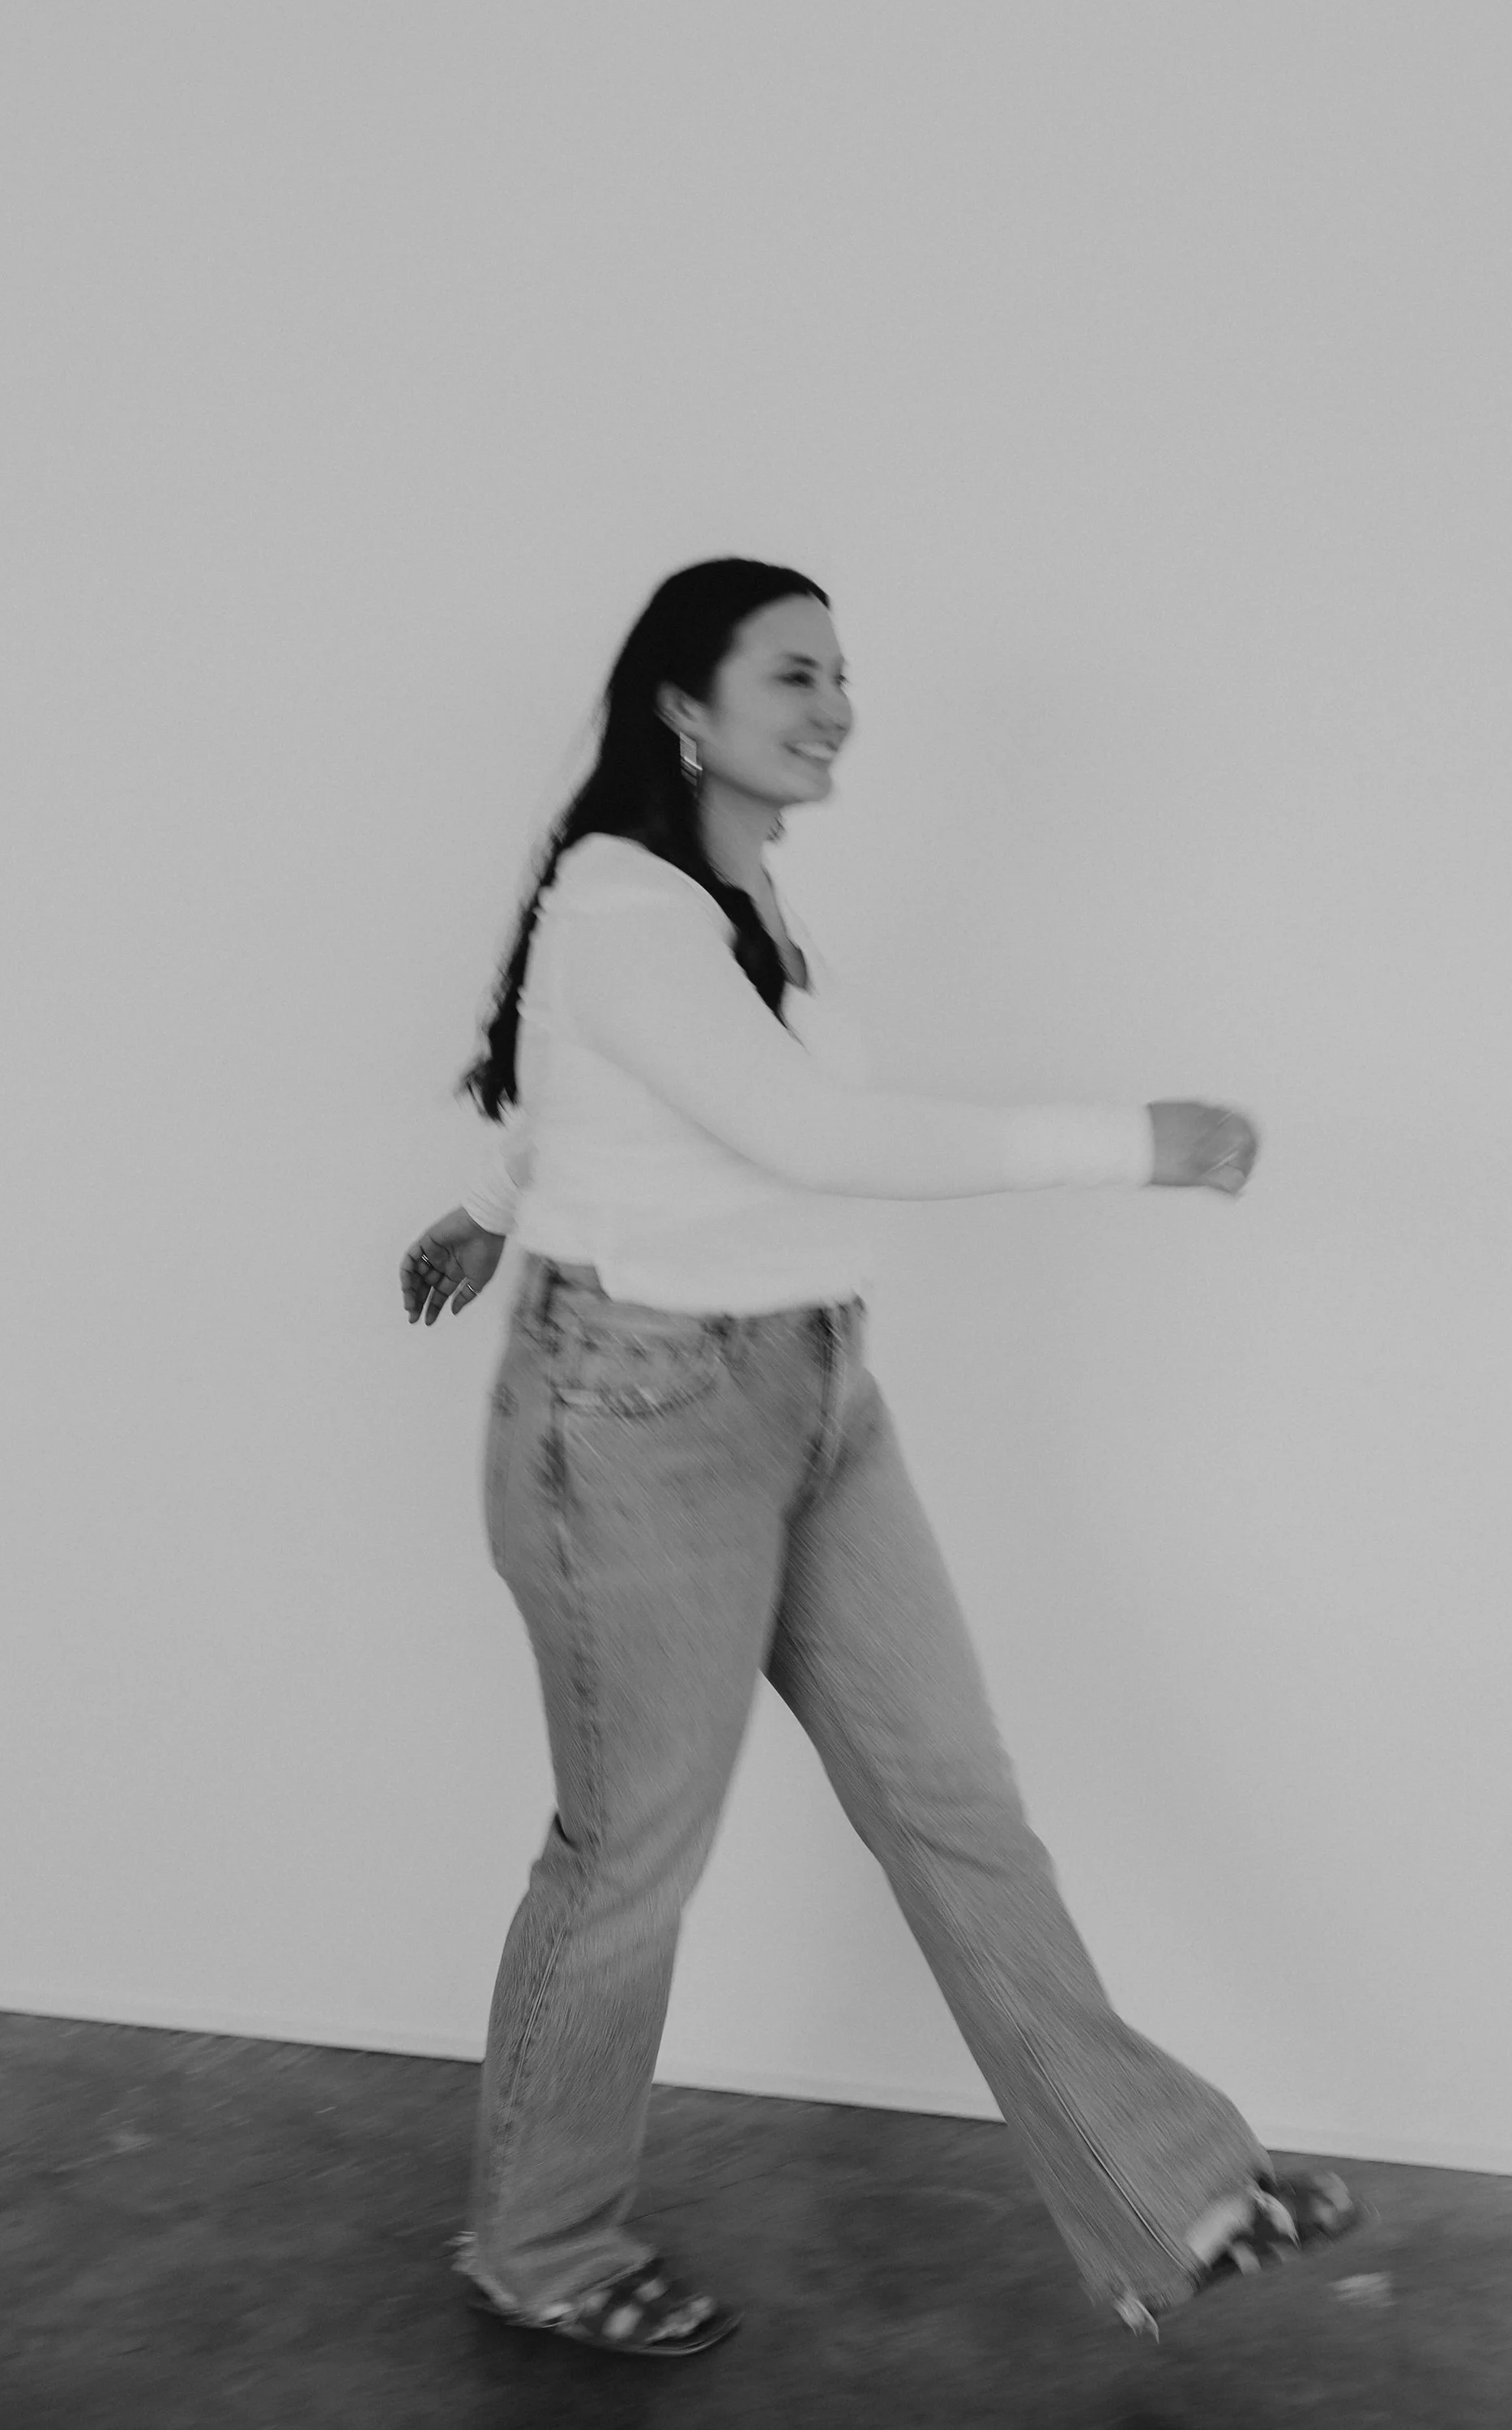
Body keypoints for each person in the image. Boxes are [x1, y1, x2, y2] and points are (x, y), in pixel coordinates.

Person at [400, 557, 1360, 2362]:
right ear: (685, 705)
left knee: (954, 1803)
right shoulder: (622, 901)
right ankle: (538, 2244)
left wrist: (489, 1198)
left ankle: (1170, 2189)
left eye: (842, 674)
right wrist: (1130, 1140)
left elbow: (620, 1095)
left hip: (814, 1396)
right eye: (794, 673)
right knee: (627, 1860)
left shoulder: (728, 897)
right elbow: (799, 1130)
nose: (835, 705)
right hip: (635, 1426)